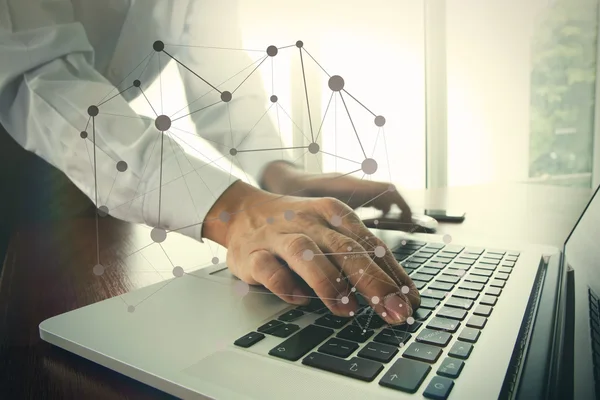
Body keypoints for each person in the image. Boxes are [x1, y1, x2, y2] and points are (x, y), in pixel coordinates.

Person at [0, 0, 419, 324]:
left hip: (97, 162)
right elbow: (36, 77)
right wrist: (236, 211)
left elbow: (222, 80)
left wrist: (282, 175)